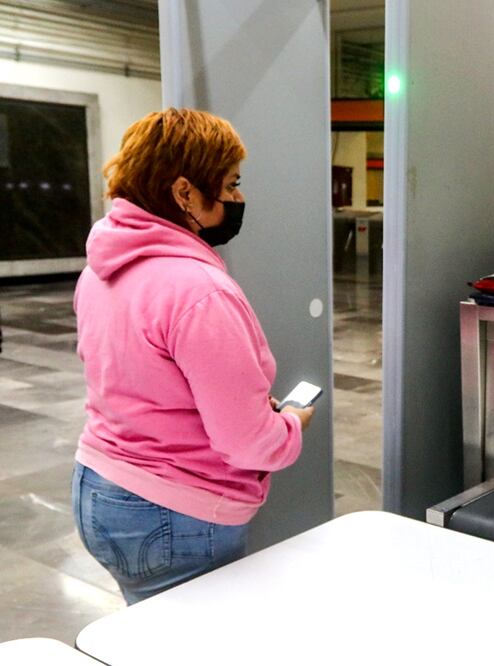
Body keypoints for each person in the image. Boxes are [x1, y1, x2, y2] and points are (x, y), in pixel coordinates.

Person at [71, 108, 314, 604]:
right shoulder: (199, 291)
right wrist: (290, 424)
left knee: (149, 632)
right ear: (185, 193)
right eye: (229, 184)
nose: (239, 198)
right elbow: (246, 444)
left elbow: (135, 379)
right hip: (172, 511)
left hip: (98, 487)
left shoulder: (97, 272)